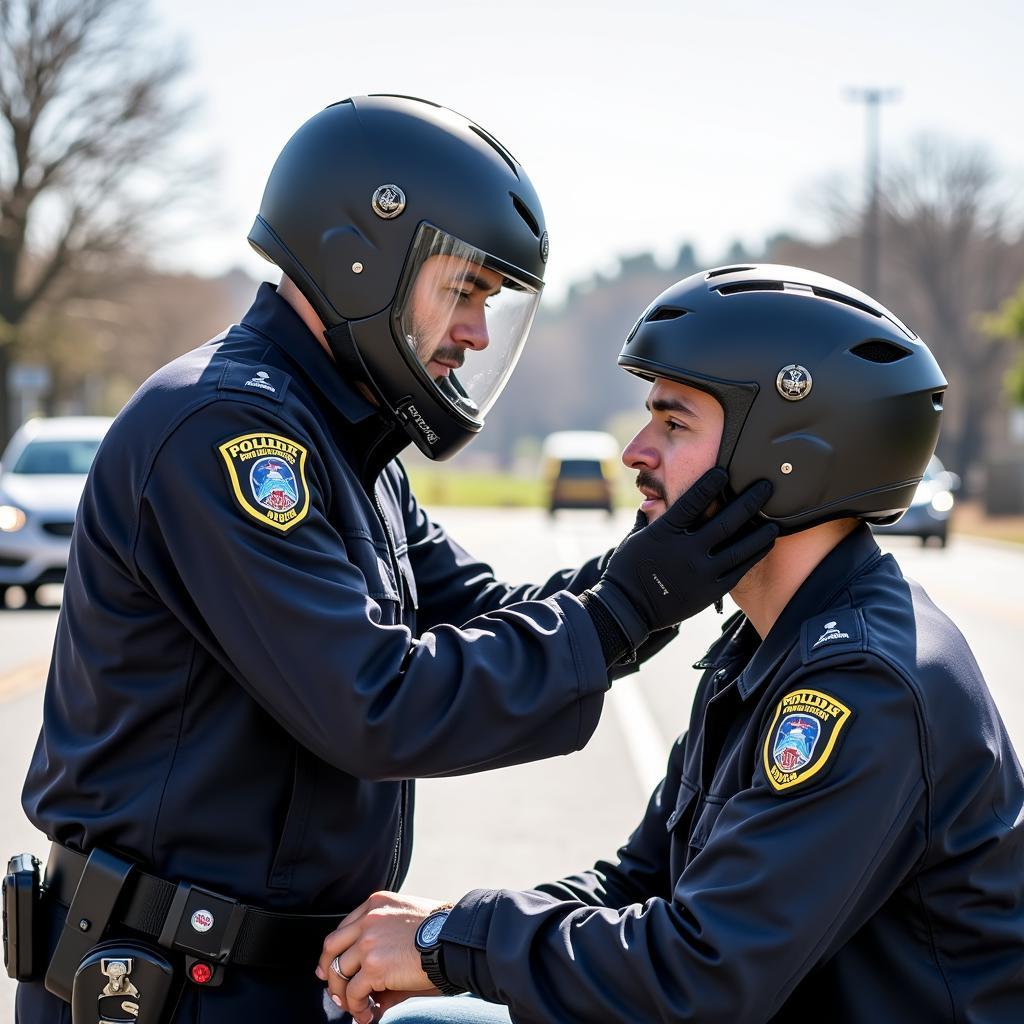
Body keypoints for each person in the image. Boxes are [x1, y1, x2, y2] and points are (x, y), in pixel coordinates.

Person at [13, 97, 777, 1023]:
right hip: (167, 983)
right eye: (463, 291)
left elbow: (483, 610)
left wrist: (652, 576)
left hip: (266, 975)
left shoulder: (341, 442)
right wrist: (628, 608)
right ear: (361, 258)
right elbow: (374, 701)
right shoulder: (231, 433)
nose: (477, 334)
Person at [319, 264, 1024, 1024]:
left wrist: (449, 942)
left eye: (674, 422)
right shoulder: (765, 646)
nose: (635, 452)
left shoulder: (862, 681)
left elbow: (703, 974)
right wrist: (446, 932)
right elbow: (638, 882)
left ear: (789, 455)